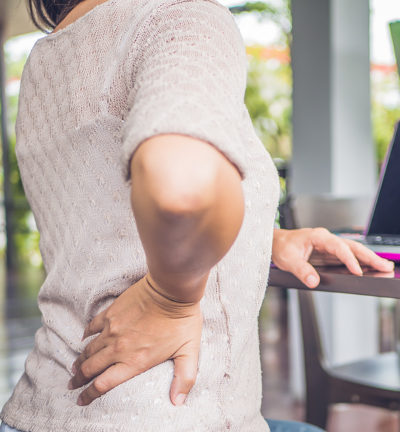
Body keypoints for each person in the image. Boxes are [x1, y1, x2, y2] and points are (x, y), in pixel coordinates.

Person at [0, 0, 394, 431]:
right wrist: (169, 298)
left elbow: (101, 221)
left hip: (38, 412)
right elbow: (183, 188)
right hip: (168, 413)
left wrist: (269, 239)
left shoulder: (47, 56)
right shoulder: (179, 17)